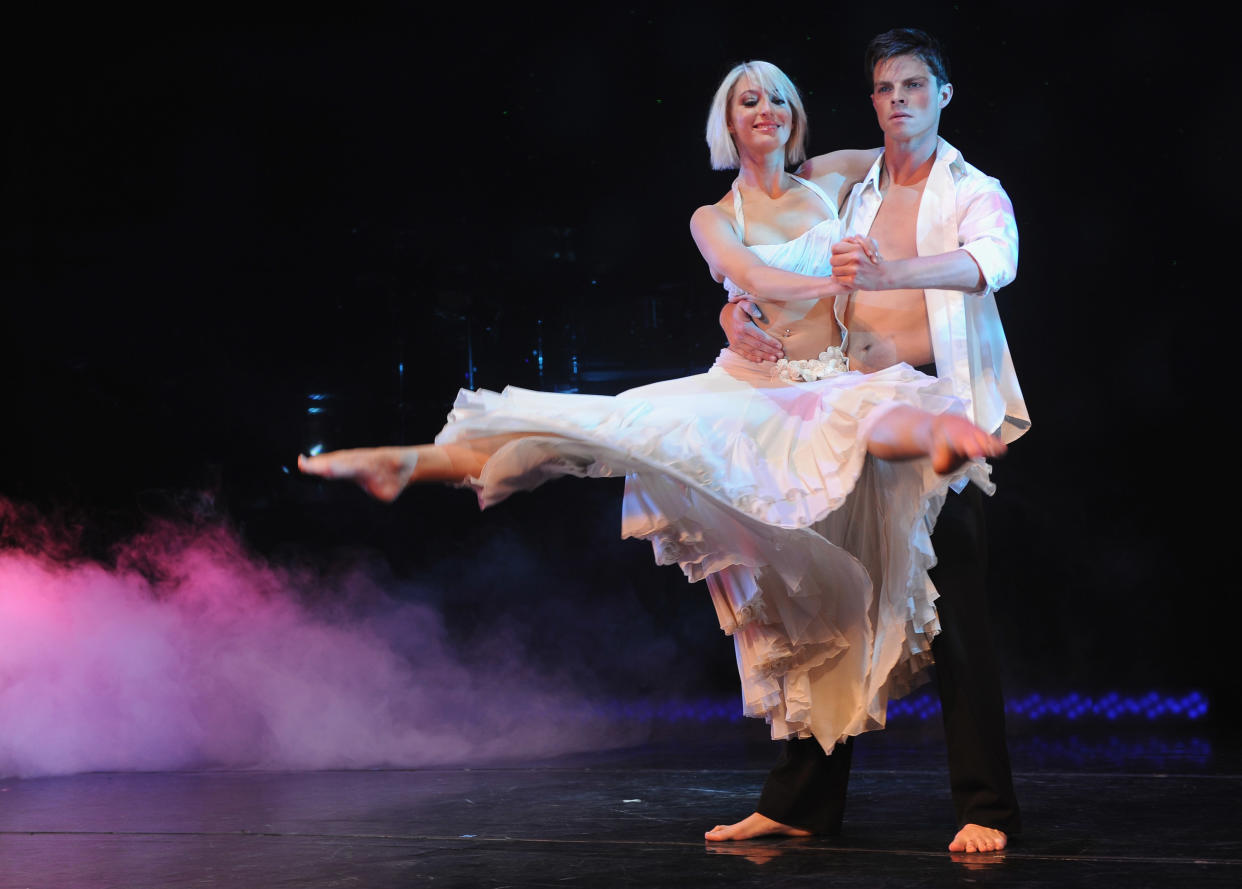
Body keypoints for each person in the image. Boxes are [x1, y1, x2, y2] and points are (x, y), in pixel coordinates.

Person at [298, 58, 1006, 847]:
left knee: (876, 523)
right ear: (727, 124)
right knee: (617, 431)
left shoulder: (841, 180)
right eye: (748, 102)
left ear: (797, 116)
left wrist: (852, 282)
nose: (765, 110)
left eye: (777, 98)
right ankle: (421, 461)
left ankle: (949, 441)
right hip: (752, 390)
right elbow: (744, 273)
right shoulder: (714, 214)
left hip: (837, 387)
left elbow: (939, 208)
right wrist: (748, 309)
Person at [715, 29, 1029, 854]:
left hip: (933, 419)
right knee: (824, 604)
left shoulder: (972, 188)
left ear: (943, 94)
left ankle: (986, 806)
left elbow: (993, 261)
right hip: (842, 416)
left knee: (955, 612)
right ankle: (801, 801)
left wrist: (893, 274)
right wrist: (731, 310)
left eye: (915, 86)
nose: (899, 101)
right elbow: (756, 227)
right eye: (887, 88)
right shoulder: (846, 184)